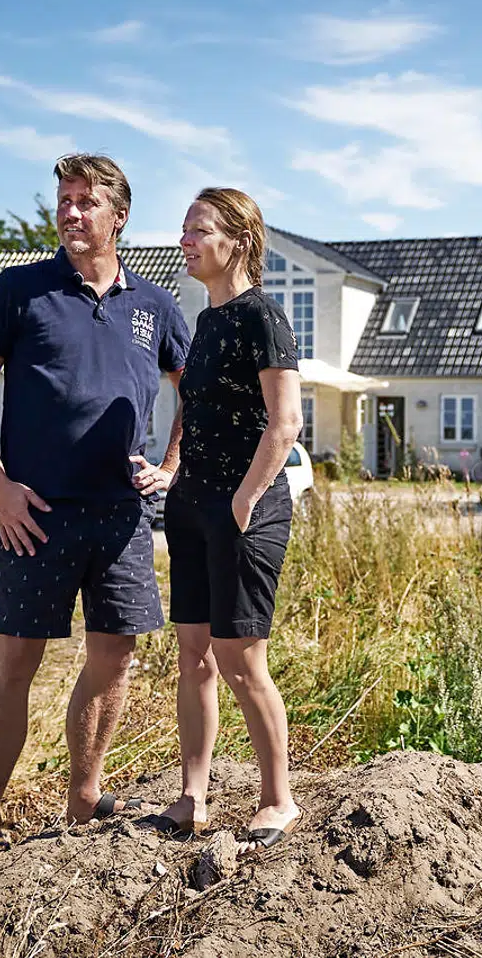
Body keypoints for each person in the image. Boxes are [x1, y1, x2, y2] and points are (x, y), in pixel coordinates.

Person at [0, 153, 190, 861]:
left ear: (120, 216)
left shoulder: (154, 306)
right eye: (64, 200)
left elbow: (195, 390)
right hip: (34, 514)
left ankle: (84, 799)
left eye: (87, 202)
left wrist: (172, 466)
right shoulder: (19, 290)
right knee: (15, 661)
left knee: (114, 658)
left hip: (122, 516)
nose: (70, 212)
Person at [146, 187, 304, 852]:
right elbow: (193, 406)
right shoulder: (205, 322)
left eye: (198, 229)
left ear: (238, 240)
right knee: (194, 655)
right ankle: (193, 797)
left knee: (241, 660)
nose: (184, 240)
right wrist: (172, 468)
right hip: (190, 506)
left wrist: (243, 500)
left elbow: (285, 423)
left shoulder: (263, 317)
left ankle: (278, 799)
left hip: (246, 510)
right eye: (184, 228)